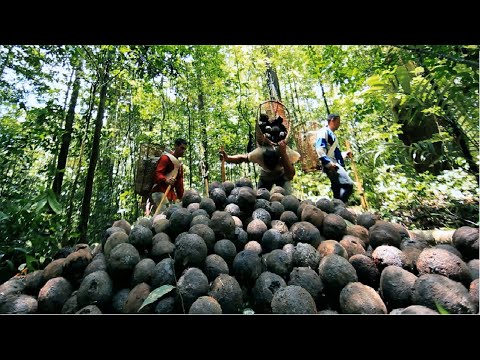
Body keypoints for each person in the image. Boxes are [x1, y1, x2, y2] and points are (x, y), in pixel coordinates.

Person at [219, 139, 300, 195]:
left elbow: (290, 175)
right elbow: (242, 158)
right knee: (260, 197)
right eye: (268, 162)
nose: (271, 165)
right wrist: (228, 158)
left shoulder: (287, 153)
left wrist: (283, 154)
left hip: (282, 175)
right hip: (265, 175)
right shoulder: (258, 153)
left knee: (288, 197)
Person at [315, 114, 355, 204]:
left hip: (334, 163)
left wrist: (344, 154)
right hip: (331, 164)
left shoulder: (332, 134)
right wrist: (328, 164)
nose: (339, 124)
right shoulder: (323, 132)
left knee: (337, 187)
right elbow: (319, 149)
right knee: (347, 184)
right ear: (332, 120)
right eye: (338, 121)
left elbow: (334, 153)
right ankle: (340, 205)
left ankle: (337, 208)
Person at [150, 138, 187, 211]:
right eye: (181, 148)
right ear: (176, 146)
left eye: (184, 149)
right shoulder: (165, 158)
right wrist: (165, 180)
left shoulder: (179, 166)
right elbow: (158, 173)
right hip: (159, 192)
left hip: (170, 195)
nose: (183, 151)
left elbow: (179, 184)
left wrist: (181, 198)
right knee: (162, 216)